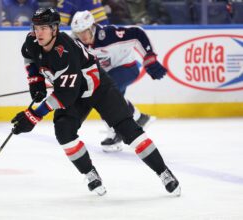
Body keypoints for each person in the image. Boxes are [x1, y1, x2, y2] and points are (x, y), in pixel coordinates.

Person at [11, 7, 181, 196]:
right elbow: (29, 57)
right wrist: (36, 80)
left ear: (55, 29)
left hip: (99, 89)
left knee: (129, 131)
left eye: (44, 28)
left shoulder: (65, 50)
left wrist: (34, 115)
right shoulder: (31, 42)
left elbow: (65, 95)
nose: (38, 32)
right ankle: (90, 173)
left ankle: (163, 172)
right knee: (63, 131)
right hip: (75, 93)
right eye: (36, 27)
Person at [70, 10, 166, 152]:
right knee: (104, 99)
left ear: (92, 27)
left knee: (101, 93)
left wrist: (149, 56)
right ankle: (137, 118)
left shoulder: (109, 34)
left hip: (127, 68)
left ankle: (126, 125)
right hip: (106, 75)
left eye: (85, 31)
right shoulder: (76, 43)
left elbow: (137, 33)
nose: (82, 36)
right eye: (79, 33)